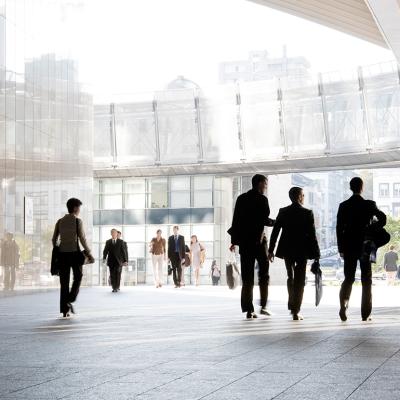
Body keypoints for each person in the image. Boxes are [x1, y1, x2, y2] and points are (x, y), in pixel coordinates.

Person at [336, 177, 386, 322]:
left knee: (348, 278)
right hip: (365, 245)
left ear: (350, 188)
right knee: (366, 279)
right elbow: (383, 218)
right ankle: (365, 313)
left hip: (349, 246)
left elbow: (339, 228)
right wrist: (371, 228)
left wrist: (341, 248)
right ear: (361, 187)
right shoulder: (369, 204)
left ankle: (343, 306)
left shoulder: (343, 205)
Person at [268, 187, 320, 321]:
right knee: (300, 280)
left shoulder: (283, 211)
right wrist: (316, 254)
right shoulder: (307, 213)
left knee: (290, 276)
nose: (304, 197)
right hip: (302, 250)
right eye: (303, 195)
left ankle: (292, 304)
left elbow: (275, 232)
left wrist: (271, 250)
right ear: (300, 197)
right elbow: (312, 235)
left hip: (287, 249)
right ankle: (296, 309)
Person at [228, 174, 275, 319]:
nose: (266, 187)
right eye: (265, 184)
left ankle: (249, 309)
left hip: (245, 244)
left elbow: (236, 220)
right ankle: (264, 306)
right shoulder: (262, 199)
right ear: (260, 184)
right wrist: (276, 222)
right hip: (259, 243)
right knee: (264, 276)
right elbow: (264, 219)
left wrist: (234, 241)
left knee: (247, 278)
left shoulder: (241, 199)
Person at [52, 198, 94, 317]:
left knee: (64, 282)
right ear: (75, 208)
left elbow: (54, 239)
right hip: (74, 254)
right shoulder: (77, 221)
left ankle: (65, 310)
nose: (79, 210)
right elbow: (82, 239)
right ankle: (70, 299)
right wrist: (89, 252)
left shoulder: (60, 221)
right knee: (78, 277)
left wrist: (57, 249)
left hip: (62, 255)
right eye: (79, 208)